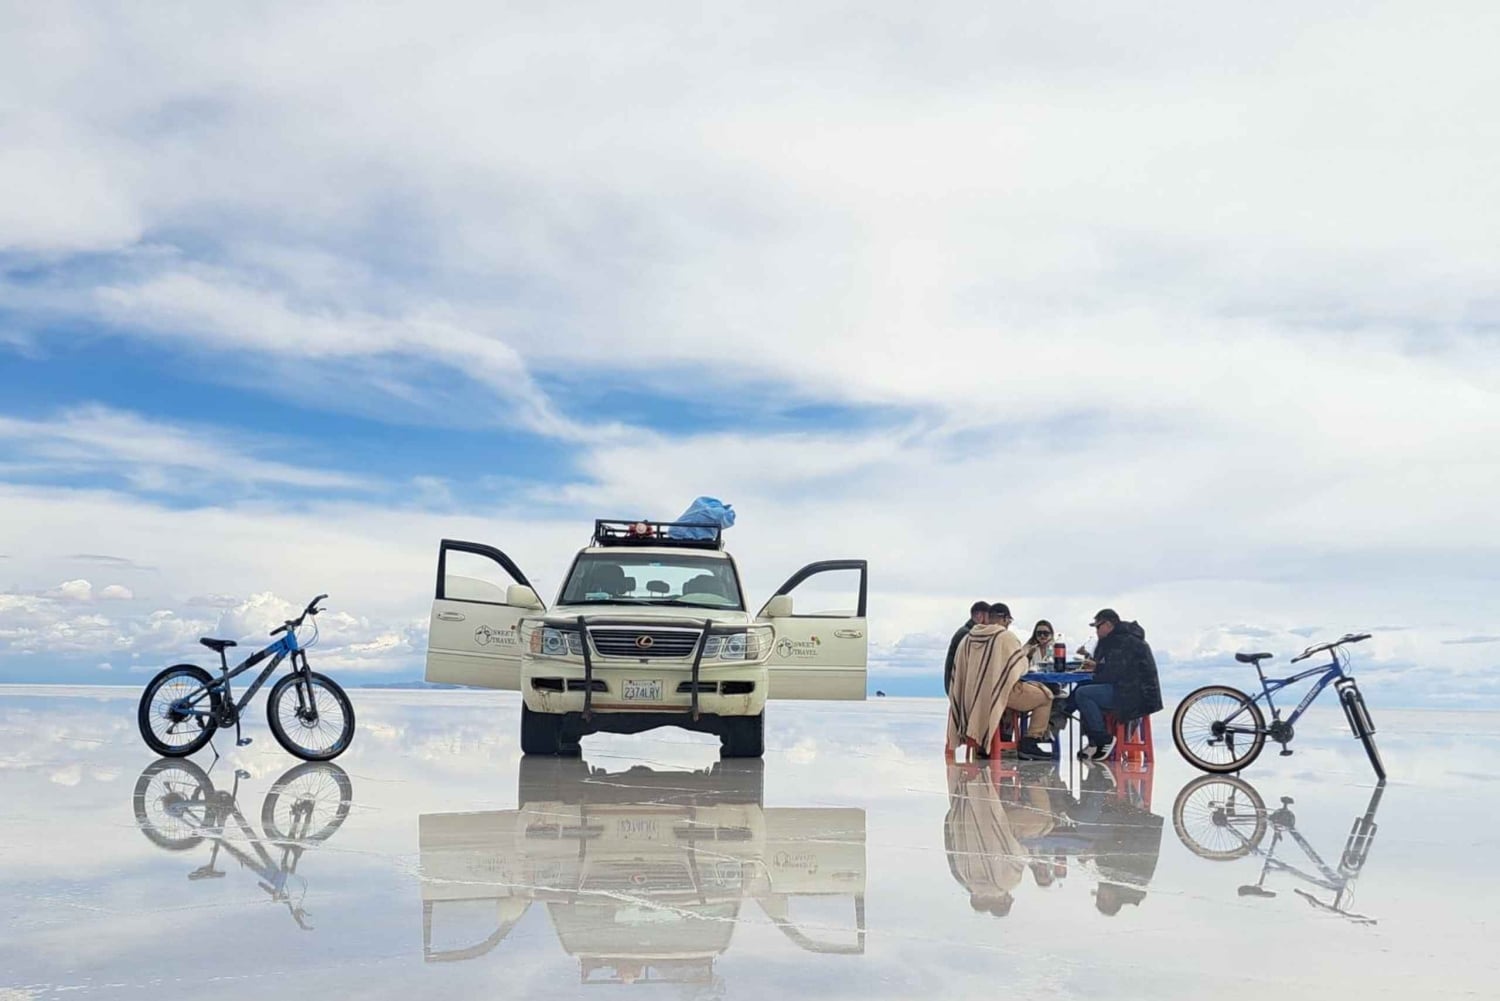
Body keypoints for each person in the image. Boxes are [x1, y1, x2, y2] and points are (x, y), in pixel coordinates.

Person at [947, 603, 1052, 760]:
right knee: (1046, 696)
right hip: (997, 695)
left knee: (1007, 700)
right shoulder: (1004, 637)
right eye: (1008, 621)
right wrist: (1025, 656)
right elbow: (1019, 667)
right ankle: (1031, 741)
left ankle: (989, 742)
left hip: (970, 699)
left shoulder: (968, 639)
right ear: (1004, 619)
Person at [1072, 608, 1164, 761]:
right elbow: (1116, 669)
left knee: (1083, 693)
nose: (1096, 631)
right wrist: (1097, 668)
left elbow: (1113, 674)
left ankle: (1102, 740)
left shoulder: (1121, 641)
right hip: (1131, 690)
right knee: (1082, 689)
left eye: (1097, 626)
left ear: (1108, 624)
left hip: (1133, 695)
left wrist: (1095, 670)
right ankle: (1092, 739)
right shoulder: (1122, 638)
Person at [944, 601, 989, 695]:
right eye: (989, 617)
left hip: (957, 687)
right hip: (959, 688)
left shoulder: (966, 632)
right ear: (980, 616)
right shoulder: (968, 635)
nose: (990, 622)